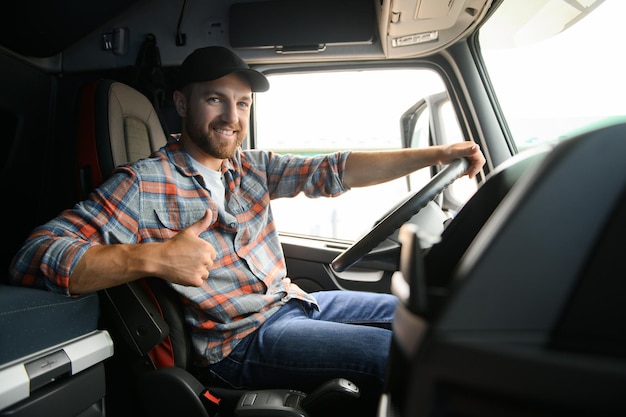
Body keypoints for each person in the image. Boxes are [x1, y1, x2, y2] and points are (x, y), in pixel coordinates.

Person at [9, 46, 485, 414]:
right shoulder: (142, 183)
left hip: (293, 303)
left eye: (242, 103)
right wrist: (153, 258)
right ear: (181, 102)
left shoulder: (249, 167)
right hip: (238, 343)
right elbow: (35, 254)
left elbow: (334, 169)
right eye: (215, 99)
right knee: (398, 354)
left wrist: (435, 156)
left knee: (427, 317)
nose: (231, 118)